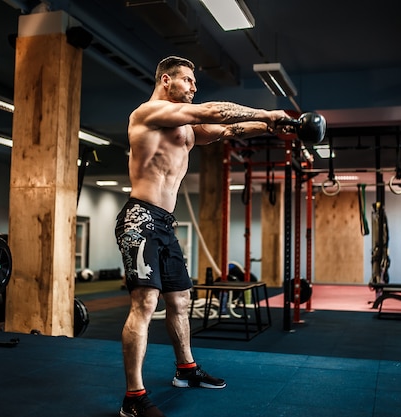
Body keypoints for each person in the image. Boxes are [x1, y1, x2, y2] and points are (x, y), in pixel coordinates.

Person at [115, 56, 292, 417]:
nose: (194, 87)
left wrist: (273, 126)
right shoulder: (149, 112)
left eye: (195, 83)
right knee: (145, 304)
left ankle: (187, 370)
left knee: (179, 300)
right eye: (188, 81)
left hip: (165, 221)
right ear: (166, 80)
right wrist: (269, 112)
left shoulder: (185, 128)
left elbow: (228, 130)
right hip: (139, 218)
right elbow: (213, 112)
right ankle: (133, 398)